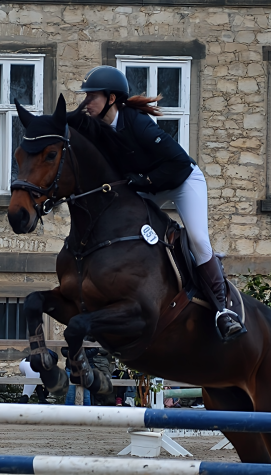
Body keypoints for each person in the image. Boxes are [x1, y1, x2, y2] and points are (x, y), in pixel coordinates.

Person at [67, 66, 245, 341]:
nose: (86, 103)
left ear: (111, 99)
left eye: (92, 96)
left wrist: (142, 181)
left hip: (183, 181)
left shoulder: (138, 123)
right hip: (148, 185)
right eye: (86, 97)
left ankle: (223, 310)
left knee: (198, 238)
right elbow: (62, 123)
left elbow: (179, 163)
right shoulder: (93, 122)